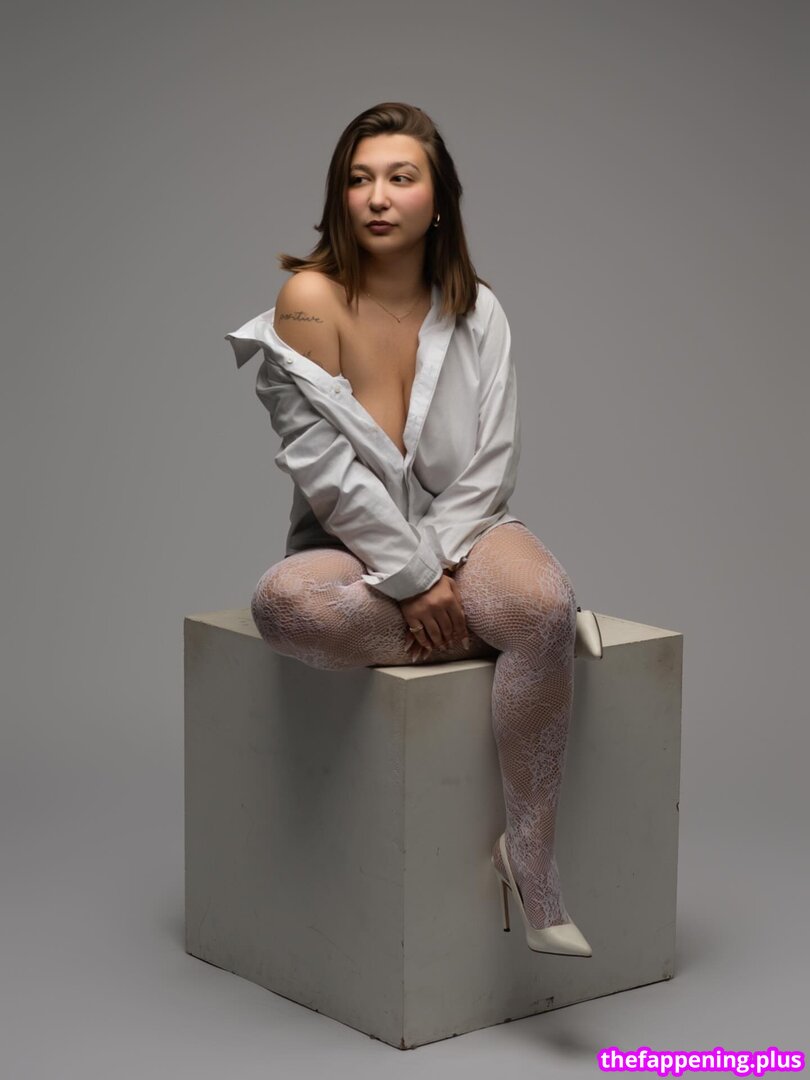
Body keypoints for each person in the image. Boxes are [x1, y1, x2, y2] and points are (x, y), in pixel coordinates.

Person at [225, 102, 591, 957]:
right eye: (359, 179)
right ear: (339, 196)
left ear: (439, 199)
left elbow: (491, 464)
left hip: (473, 531)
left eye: (400, 177)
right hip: (348, 546)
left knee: (536, 602)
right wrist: (413, 579)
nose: (378, 197)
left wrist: (442, 564)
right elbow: (324, 467)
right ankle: (518, 634)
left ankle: (531, 863)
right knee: (283, 607)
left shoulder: (481, 312)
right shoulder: (308, 300)